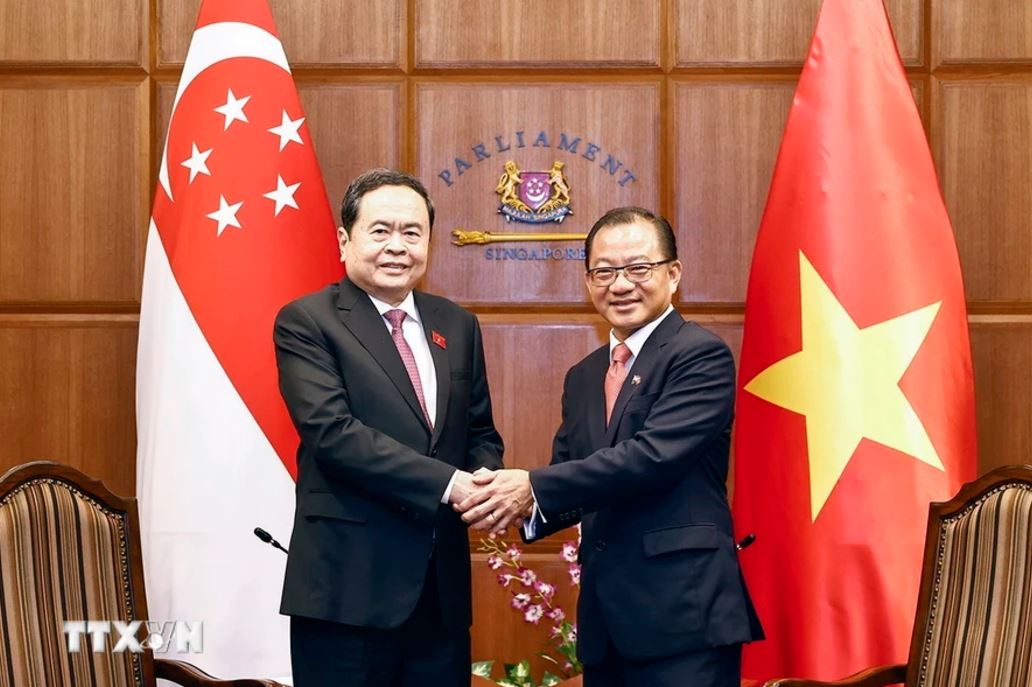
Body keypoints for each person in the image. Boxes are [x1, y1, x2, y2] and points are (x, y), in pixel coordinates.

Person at [457, 207, 763, 687]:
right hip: (607, 626)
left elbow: (650, 457)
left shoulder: (699, 355)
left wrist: (530, 486)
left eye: (639, 268)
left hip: (684, 618)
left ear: (673, 273)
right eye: (604, 271)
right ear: (588, 281)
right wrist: (501, 500)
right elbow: (572, 474)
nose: (620, 284)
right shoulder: (584, 375)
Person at [274, 168, 504, 687]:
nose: (397, 246)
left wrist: (486, 482)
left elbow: (479, 431)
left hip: (439, 596)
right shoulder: (308, 321)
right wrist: (451, 484)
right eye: (381, 231)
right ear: (344, 239)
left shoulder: (457, 325)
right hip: (347, 592)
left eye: (412, 232)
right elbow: (333, 434)